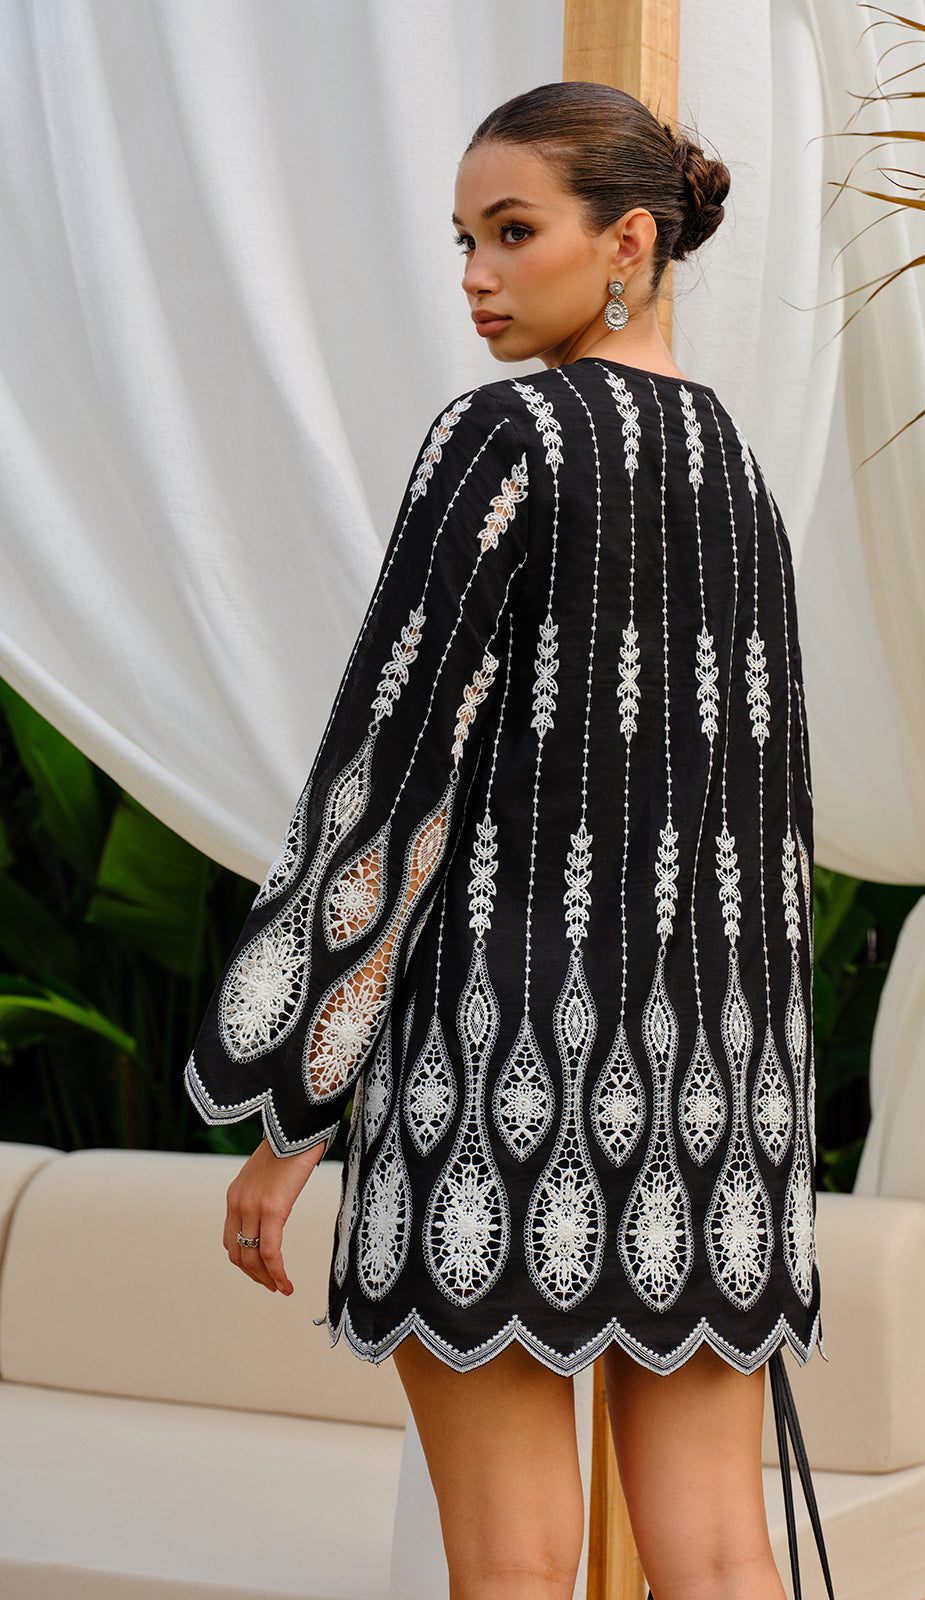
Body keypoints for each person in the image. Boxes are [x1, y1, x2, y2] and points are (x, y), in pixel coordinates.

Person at [185, 80, 822, 1600]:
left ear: (629, 242)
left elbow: (394, 772)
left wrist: (293, 1114)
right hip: (715, 1083)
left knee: (516, 1568)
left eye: (514, 232)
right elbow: (766, 809)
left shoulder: (503, 435)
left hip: (497, 1066)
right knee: (721, 1557)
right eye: (464, 239)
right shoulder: (736, 469)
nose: (475, 274)